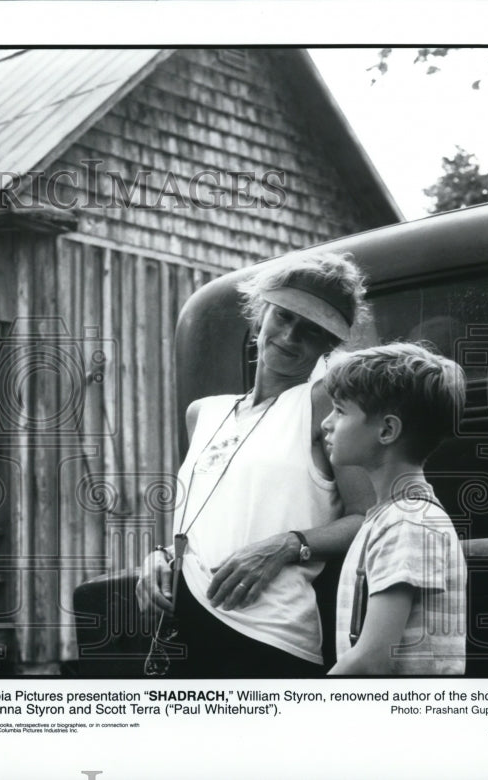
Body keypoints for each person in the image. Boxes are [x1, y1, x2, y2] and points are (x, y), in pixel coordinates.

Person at [136, 251, 375, 677]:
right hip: (184, 628)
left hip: (268, 638)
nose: (290, 336)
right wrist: (161, 555)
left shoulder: (322, 402)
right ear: (259, 315)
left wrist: (286, 545)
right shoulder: (203, 413)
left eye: (311, 330)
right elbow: (205, 514)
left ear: (328, 345)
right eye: (283, 316)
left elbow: (369, 517)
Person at [322, 343, 467, 675]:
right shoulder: (391, 516)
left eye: (340, 411)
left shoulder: (408, 521)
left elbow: (372, 660)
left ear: (387, 430)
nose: (326, 424)